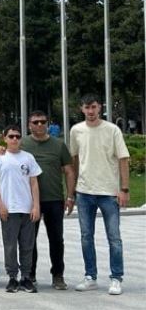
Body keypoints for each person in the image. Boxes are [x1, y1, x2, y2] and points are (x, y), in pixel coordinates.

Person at [69, 94, 130, 295]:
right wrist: (72, 191)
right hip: (84, 192)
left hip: (109, 193)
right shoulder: (76, 131)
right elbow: (75, 160)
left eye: (94, 107)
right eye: (87, 107)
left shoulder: (112, 130)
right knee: (86, 237)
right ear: (82, 109)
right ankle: (90, 276)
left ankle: (116, 278)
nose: (91, 111)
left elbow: (123, 159)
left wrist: (124, 189)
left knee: (114, 238)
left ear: (100, 107)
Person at [20, 110, 75, 290]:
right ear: (29, 125)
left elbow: (69, 171)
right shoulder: (22, 144)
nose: (39, 125)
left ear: (48, 124)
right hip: (29, 200)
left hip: (54, 199)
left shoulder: (58, 145)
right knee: (29, 240)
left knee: (56, 239)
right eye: (35, 122)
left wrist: (70, 196)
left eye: (43, 122)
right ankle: (30, 274)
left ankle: (58, 275)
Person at [0, 125, 41, 294]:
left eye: (17, 136)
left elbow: (34, 183)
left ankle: (26, 277)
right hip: (8, 209)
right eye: (11, 136)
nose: (14, 139)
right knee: (10, 246)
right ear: (5, 138)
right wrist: (0, 204)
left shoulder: (28, 157)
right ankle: (12, 277)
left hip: (27, 209)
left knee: (27, 245)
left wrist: (36, 205)